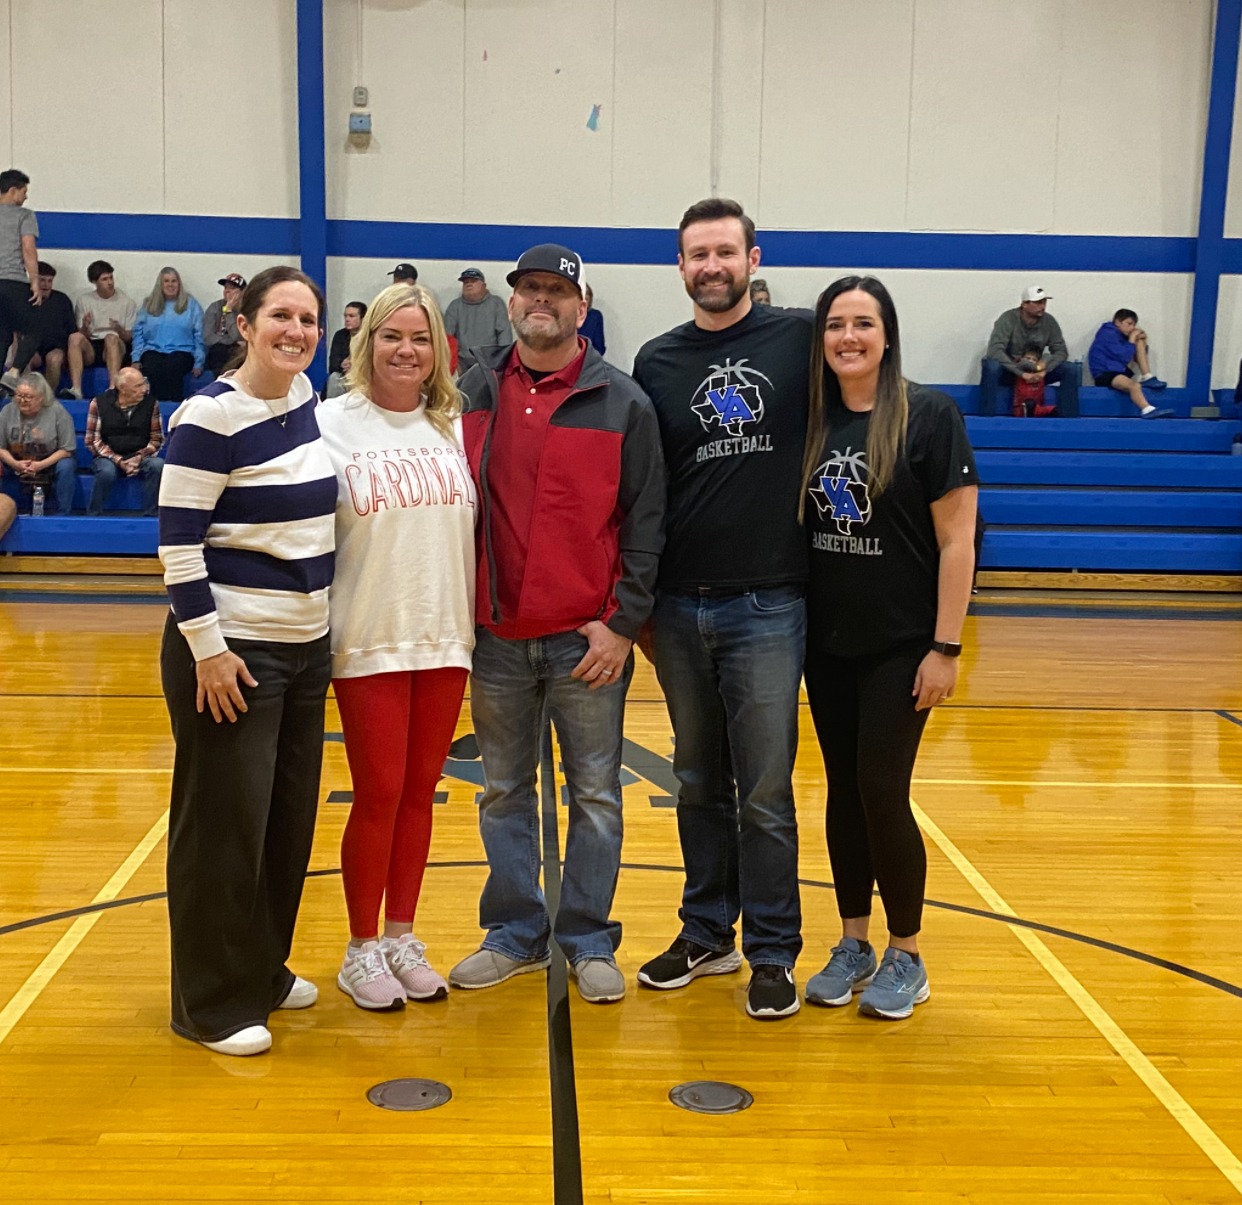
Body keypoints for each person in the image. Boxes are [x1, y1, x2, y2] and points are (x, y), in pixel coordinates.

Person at [449, 243, 665, 1004]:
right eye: (529, 289)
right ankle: (514, 932)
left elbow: (646, 524)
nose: (542, 301)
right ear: (511, 303)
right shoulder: (471, 389)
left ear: (583, 303)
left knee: (597, 795)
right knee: (504, 789)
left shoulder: (624, 401)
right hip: (496, 638)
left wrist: (620, 623)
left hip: (586, 642)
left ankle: (584, 936)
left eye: (557, 291)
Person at [631, 198, 810, 1020]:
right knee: (698, 778)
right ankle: (708, 931)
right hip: (677, 606)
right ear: (681, 266)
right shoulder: (656, 360)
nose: (712, 265)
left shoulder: (799, 340)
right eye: (697, 254)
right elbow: (644, 491)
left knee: (766, 789)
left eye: (725, 251)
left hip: (769, 602)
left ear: (752, 257)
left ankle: (774, 949)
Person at [157, 265, 337, 1057]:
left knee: (284, 824)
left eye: (308, 318)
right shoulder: (210, 416)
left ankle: (261, 968)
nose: (295, 331)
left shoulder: (304, 400)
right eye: (281, 316)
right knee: (222, 830)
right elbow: (176, 545)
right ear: (245, 324)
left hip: (304, 651)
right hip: (232, 655)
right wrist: (209, 651)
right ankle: (209, 1002)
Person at [800, 275, 978, 1021]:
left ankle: (907, 951)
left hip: (902, 646)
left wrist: (945, 645)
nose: (848, 336)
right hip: (825, 643)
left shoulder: (929, 415)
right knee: (843, 789)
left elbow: (958, 538)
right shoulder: (812, 417)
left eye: (863, 324)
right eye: (836, 324)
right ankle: (853, 941)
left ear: (887, 333)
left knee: (881, 787)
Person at [317, 284, 477, 1011]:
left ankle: (402, 935)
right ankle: (360, 948)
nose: (406, 350)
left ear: (439, 348)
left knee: (419, 794)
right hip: (368, 633)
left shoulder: (452, 424)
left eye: (420, 337)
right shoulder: (330, 424)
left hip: (445, 634)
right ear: (367, 342)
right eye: (392, 336)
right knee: (378, 793)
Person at [980, 287, 1079, 417]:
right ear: (1024, 304)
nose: (1042, 306)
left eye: (1044, 302)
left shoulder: (1049, 321)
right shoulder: (1008, 318)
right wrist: (1020, 373)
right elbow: (995, 350)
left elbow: (1060, 351)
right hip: (1011, 370)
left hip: (1037, 369)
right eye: (1038, 303)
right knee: (991, 366)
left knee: (1070, 369)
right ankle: (986, 417)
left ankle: (1069, 418)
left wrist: (1045, 370)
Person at [85, 366, 164, 516]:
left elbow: (157, 439)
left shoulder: (151, 404)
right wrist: (119, 460)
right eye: (138, 386)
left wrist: (139, 456)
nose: (144, 389)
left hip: (140, 455)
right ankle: (94, 515)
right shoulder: (99, 403)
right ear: (122, 388)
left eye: (144, 384)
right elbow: (93, 441)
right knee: (106, 472)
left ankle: (152, 515)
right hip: (108, 456)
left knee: (157, 465)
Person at [0, 372, 76, 514]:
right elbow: (0, 447)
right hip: (15, 460)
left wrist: (40, 465)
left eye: (28, 397)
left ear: (41, 398)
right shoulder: (7, 411)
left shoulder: (58, 412)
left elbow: (67, 449)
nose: (22, 401)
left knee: (67, 465)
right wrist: (15, 464)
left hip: (48, 461)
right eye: (19, 396)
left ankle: (63, 513)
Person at [133, 267, 205, 401]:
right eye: (166, 281)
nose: (170, 284)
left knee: (172, 368)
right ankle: (153, 407)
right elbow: (138, 333)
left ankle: (172, 407)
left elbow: (199, 335)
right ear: (160, 284)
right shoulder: (148, 305)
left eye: (174, 281)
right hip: (153, 350)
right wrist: (136, 358)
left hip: (182, 351)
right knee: (151, 367)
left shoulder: (192, 305)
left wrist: (199, 362)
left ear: (179, 283)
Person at [1087, 309, 1173, 419]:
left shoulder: (1121, 335)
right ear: (1118, 322)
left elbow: (1138, 357)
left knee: (1139, 342)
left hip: (1118, 370)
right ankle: (1146, 409)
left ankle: (1147, 376)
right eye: (1129, 324)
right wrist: (1132, 338)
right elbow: (1123, 356)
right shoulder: (1107, 333)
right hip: (1105, 373)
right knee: (1134, 386)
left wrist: (1142, 339)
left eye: (1134, 325)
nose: (1132, 328)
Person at [0, 169, 41, 396]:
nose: (26, 197)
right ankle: (14, 373)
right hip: (13, 281)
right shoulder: (23, 215)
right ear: (13, 190)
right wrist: (34, 280)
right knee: (35, 329)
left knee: (3, 335)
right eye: (24, 192)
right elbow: (28, 249)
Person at [71, 261, 137, 396]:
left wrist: (118, 329)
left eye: (111, 278)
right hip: (93, 344)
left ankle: (113, 388)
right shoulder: (84, 300)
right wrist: (84, 326)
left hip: (116, 344)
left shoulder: (126, 302)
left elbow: (129, 337)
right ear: (94, 282)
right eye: (104, 279)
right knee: (74, 337)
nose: (110, 282)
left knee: (110, 338)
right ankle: (76, 389)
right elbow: (83, 334)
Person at [14, 263, 76, 394]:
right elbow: (16, 329)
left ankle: (46, 396)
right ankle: (27, 393)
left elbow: (71, 330)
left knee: (54, 358)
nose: (46, 285)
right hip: (30, 345)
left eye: (49, 281)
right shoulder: (23, 299)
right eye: (42, 280)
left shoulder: (62, 300)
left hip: (56, 347)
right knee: (24, 356)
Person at [443, 269, 512, 368]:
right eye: (466, 282)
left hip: (490, 362)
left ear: (484, 286)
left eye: (473, 281)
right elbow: (447, 337)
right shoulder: (455, 306)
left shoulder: (496, 304)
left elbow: (504, 334)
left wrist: (502, 360)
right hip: (462, 363)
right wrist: (453, 362)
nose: (468, 284)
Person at [202, 273, 246, 375]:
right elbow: (207, 338)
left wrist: (229, 311)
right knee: (218, 351)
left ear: (241, 292)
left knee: (238, 354)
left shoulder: (246, 310)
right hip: (218, 350)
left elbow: (238, 336)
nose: (227, 291)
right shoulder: (215, 307)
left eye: (232, 288)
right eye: (226, 287)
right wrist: (231, 341)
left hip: (237, 351)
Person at [323, 300, 366, 399]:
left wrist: (356, 364)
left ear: (363, 318)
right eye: (345, 316)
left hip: (363, 376)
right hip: (344, 376)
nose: (347, 319)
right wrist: (342, 365)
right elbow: (333, 365)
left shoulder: (370, 336)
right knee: (334, 378)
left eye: (351, 316)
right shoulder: (340, 335)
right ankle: (332, 411)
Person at [580, 283, 606, 355]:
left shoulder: (595, 316)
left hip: (590, 359)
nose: (583, 302)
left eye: (586, 299)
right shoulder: (566, 316)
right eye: (581, 298)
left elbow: (599, 347)